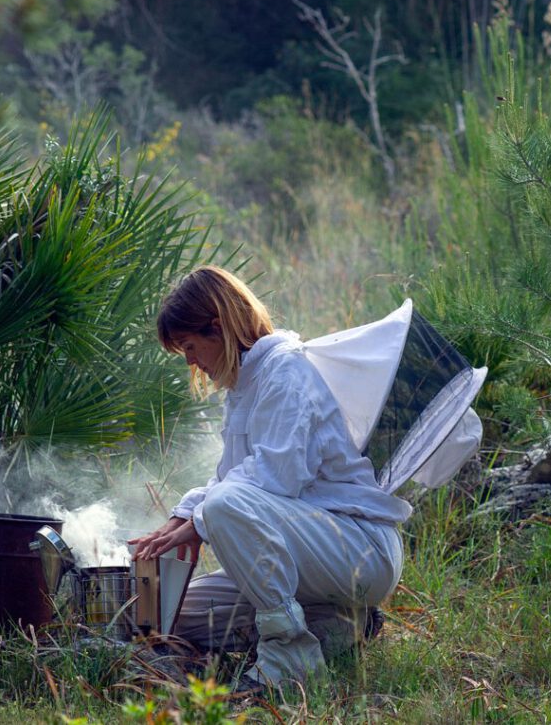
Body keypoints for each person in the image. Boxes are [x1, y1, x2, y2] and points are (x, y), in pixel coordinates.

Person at [129, 266, 411, 693]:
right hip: (318, 561)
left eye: (189, 346)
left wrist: (201, 521)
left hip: (360, 551)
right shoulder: (245, 385)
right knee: (174, 614)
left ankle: (289, 657)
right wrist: (182, 514)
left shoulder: (286, 370)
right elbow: (233, 477)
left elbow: (275, 477)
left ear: (218, 327)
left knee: (224, 505)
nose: (190, 361)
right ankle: (339, 626)